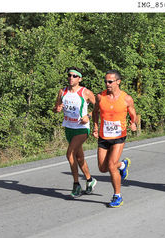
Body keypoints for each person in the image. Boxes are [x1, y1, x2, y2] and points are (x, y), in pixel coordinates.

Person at [92, 70, 137, 208]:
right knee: (102, 168)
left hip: (119, 136)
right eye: (105, 81)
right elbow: (95, 112)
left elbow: (133, 113)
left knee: (111, 166)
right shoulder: (100, 97)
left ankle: (117, 195)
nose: (107, 84)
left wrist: (133, 123)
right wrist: (94, 127)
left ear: (118, 82)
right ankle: (122, 165)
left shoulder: (126, 98)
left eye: (110, 81)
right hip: (104, 136)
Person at [53, 67, 97, 198]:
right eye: (69, 75)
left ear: (80, 79)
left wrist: (88, 116)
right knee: (79, 157)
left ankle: (76, 184)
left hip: (82, 128)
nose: (71, 78)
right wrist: (57, 109)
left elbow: (99, 108)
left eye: (74, 76)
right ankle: (90, 181)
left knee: (70, 153)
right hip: (69, 127)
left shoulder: (86, 92)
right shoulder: (62, 92)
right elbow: (56, 107)